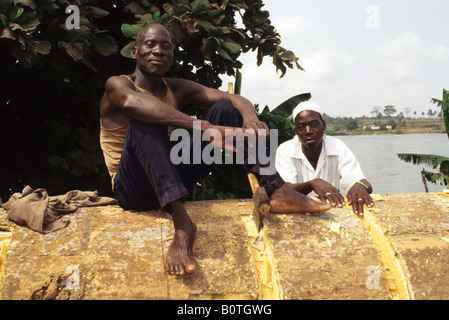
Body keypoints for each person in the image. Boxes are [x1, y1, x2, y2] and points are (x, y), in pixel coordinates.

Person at [99, 23, 331, 276]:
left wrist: (250, 118)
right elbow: (131, 102)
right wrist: (206, 128)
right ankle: (182, 224)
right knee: (148, 115)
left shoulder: (175, 87)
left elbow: (235, 99)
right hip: (135, 190)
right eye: (150, 44)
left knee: (225, 108)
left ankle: (277, 188)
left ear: (172, 55)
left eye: (166, 46)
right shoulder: (117, 85)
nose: (158, 51)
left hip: (174, 177)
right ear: (135, 52)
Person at [275, 101, 374, 217]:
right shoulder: (285, 150)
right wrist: (312, 184)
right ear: (296, 130)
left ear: (323, 125)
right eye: (301, 126)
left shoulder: (338, 147)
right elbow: (284, 191)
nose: (308, 131)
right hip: (297, 213)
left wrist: (359, 185)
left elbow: (360, 181)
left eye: (313, 124)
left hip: (331, 213)